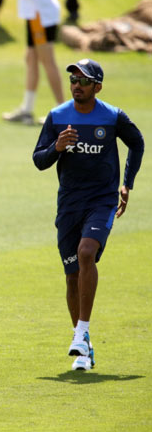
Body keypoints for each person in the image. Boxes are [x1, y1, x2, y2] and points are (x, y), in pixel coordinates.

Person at [32, 59, 144, 371]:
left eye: (83, 80)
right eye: (73, 79)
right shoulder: (58, 116)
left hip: (102, 200)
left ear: (97, 87)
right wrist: (57, 147)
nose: (76, 84)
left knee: (86, 254)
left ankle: (81, 332)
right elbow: (39, 160)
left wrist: (126, 184)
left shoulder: (112, 116)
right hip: (69, 204)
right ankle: (84, 347)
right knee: (71, 277)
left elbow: (137, 143)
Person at [0, 0, 64, 125]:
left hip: (41, 14)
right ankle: (27, 109)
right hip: (35, 13)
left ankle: (62, 111)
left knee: (47, 60)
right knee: (31, 58)